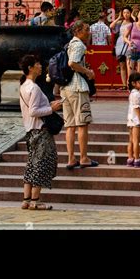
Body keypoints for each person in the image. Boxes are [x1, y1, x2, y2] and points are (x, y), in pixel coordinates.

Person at [18, 53, 63, 210]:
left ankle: (26, 199)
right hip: (40, 131)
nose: (40, 66)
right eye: (37, 64)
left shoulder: (24, 86)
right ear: (30, 68)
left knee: (32, 164)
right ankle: (35, 202)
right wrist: (52, 108)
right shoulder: (34, 88)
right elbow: (34, 111)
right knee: (42, 165)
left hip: (30, 131)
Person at [61, 21, 98, 169]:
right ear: (77, 31)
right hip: (77, 88)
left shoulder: (69, 44)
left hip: (66, 88)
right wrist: (88, 72)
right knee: (82, 124)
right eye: (86, 29)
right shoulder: (79, 45)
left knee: (70, 125)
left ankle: (71, 158)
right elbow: (72, 63)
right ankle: (83, 157)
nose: (89, 32)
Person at [110, 6, 135, 89]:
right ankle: (124, 85)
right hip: (120, 44)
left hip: (129, 43)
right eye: (124, 13)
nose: (126, 14)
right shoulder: (120, 23)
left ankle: (130, 83)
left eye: (128, 12)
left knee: (129, 65)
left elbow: (138, 25)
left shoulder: (133, 23)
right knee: (122, 65)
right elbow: (111, 26)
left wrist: (133, 17)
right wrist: (118, 18)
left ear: (130, 13)